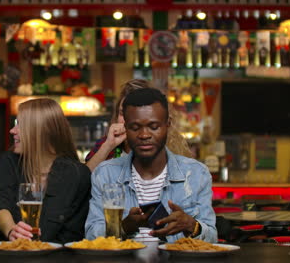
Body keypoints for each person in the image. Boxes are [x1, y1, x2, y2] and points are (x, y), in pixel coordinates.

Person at [85, 88, 217, 243]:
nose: (144, 135)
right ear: (125, 128)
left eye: (153, 127)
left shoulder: (196, 173)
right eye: (135, 128)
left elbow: (212, 238)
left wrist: (191, 226)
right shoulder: (105, 174)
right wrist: (123, 227)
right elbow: (91, 236)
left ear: (168, 124)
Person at [0, 98, 91, 243]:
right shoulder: (7, 162)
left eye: (20, 125)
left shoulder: (77, 175)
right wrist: (11, 230)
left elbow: (73, 236)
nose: (12, 131)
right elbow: (0, 203)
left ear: (40, 131)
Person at [85, 79, 192, 172]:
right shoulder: (107, 145)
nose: (130, 121)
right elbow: (84, 182)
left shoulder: (169, 150)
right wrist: (108, 146)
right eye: (123, 113)